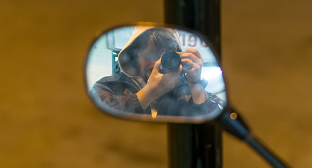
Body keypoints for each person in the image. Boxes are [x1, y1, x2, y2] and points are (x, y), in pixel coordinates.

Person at [91, 26, 219, 118]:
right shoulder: (109, 86)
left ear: (177, 56)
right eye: (149, 54)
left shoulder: (188, 90)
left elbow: (212, 132)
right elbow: (98, 124)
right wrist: (150, 92)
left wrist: (196, 86)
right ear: (135, 57)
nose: (157, 62)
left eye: (163, 55)